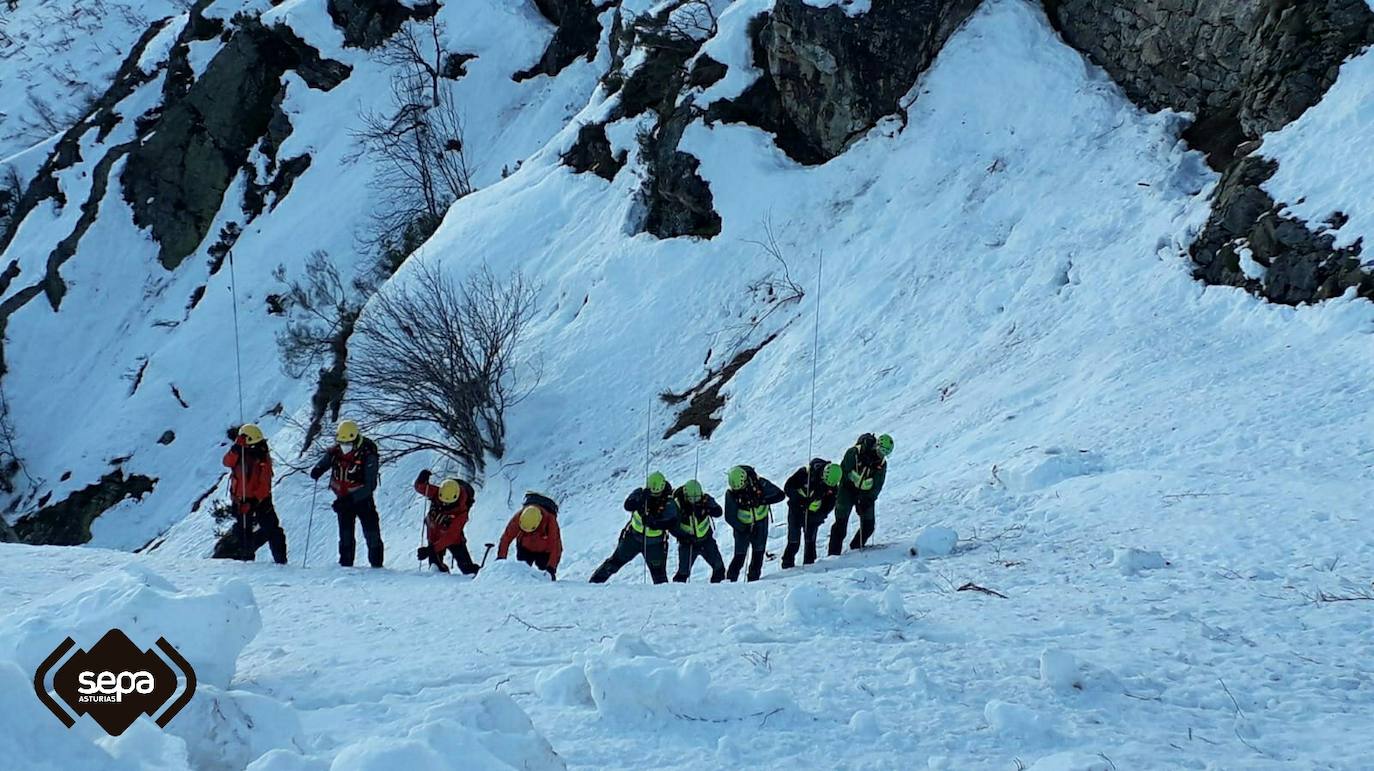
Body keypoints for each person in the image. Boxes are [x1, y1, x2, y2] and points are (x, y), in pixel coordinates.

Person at [310, 419, 385, 568]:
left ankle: (377, 566)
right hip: (342, 499)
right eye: (341, 443)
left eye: (348, 444)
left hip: (362, 500)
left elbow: (370, 485)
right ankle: (345, 565)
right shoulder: (336, 451)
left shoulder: (368, 454)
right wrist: (318, 469)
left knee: (371, 533)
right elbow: (326, 460)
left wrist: (350, 499)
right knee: (345, 535)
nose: (344, 447)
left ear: (355, 439)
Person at [213, 423, 287, 564]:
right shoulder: (238, 452)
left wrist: (254, 501)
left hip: (259, 500)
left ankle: (280, 560)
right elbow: (227, 462)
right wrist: (236, 449)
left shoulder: (261, 456)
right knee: (244, 532)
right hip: (241, 499)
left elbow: (264, 483)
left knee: (272, 529)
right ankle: (247, 560)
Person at [590, 472, 679, 585]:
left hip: (655, 544)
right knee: (614, 563)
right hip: (632, 539)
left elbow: (671, 521)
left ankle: (661, 600)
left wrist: (653, 523)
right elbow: (627, 505)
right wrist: (640, 501)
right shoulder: (641, 493)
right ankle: (593, 584)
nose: (654, 494)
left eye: (657, 492)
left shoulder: (669, 502)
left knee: (659, 575)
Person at [827, 433, 893, 555]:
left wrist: (868, 499)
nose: (882, 454)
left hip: (865, 495)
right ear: (877, 445)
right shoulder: (854, 452)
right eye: (882, 450)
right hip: (846, 490)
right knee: (841, 524)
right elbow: (844, 470)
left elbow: (878, 484)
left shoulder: (882, 464)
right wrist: (853, 477)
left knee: (868, 525)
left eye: (886, 452)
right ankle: (833, 554)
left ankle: (856, 549)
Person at [723, 465, 784, 582]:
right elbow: (729, 516)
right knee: (739, 556)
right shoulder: (731, 494)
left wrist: (762, 500)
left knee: (758, 553)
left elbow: (779, 495)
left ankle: (753, 580)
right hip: (742, 528)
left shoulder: (759, 483)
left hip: (760, 524)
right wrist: (743, 529)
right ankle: (730, 581)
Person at [414, 470, 478, 574]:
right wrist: (421, 479)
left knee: (467, 569)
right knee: (435, 569)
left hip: (454, 541)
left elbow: (451, 536)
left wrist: (430, 550)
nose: (444, 504)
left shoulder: (462, 513)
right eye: (442, 501)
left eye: (448, 503)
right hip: (433, 537)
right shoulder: (438, 492)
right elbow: (421, 488)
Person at [781, 458, 841, 569]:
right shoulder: (805, 473)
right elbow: (788, 488)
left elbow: (829, 506)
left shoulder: (832, 487)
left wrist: (818, 515)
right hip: (796, 511)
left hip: (814, 515)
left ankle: (810, 565)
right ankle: (787, 565)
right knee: (793, 540)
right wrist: (801, 501)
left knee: (810, 541)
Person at [497, 492, 562, 579]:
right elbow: (506, 538)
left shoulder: (551, 522)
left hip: (544, 552)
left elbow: (555, 547)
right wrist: (501, 557)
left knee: (544, 577)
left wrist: (551, 568)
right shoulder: (519, 517)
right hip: (525, 548)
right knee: (521, 575)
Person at [671, 479, 725, 583]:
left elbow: (718, 512)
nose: (695, 500)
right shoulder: (677, 505)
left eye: (697, 497)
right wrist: (684, 537)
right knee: (683, 573)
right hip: (687, 543)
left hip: (706, 540)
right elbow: (672, 526)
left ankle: (717, 591)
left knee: (719, 568)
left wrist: (707, 508)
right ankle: (677, 594)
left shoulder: (705, 499)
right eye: (692, 498)